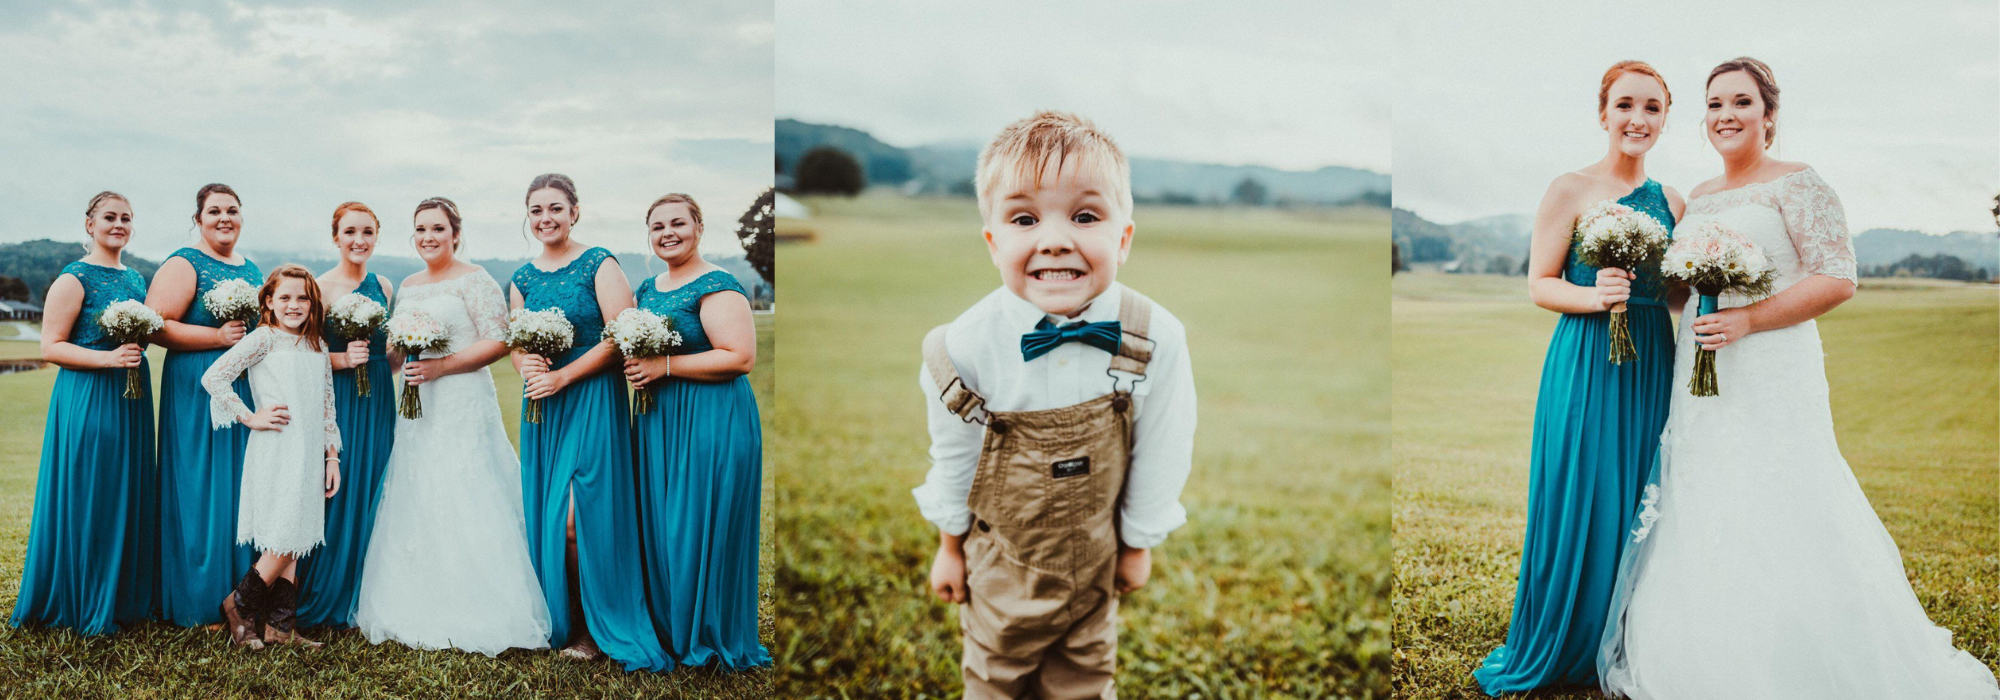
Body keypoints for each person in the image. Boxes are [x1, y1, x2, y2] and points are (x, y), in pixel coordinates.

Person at [912, 111, 1196, 698]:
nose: (1056, 238)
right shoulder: (963, 346)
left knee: (1087, 680)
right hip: (999, 566)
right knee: (993, 679)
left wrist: (1137, 544)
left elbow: (1165, 446)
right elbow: (956, 457)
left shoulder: (1155, 334)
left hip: (1097, 561)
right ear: (994, 243)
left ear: (1123, 237)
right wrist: (949, 549)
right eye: (1024, 218)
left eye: (1085, 216)